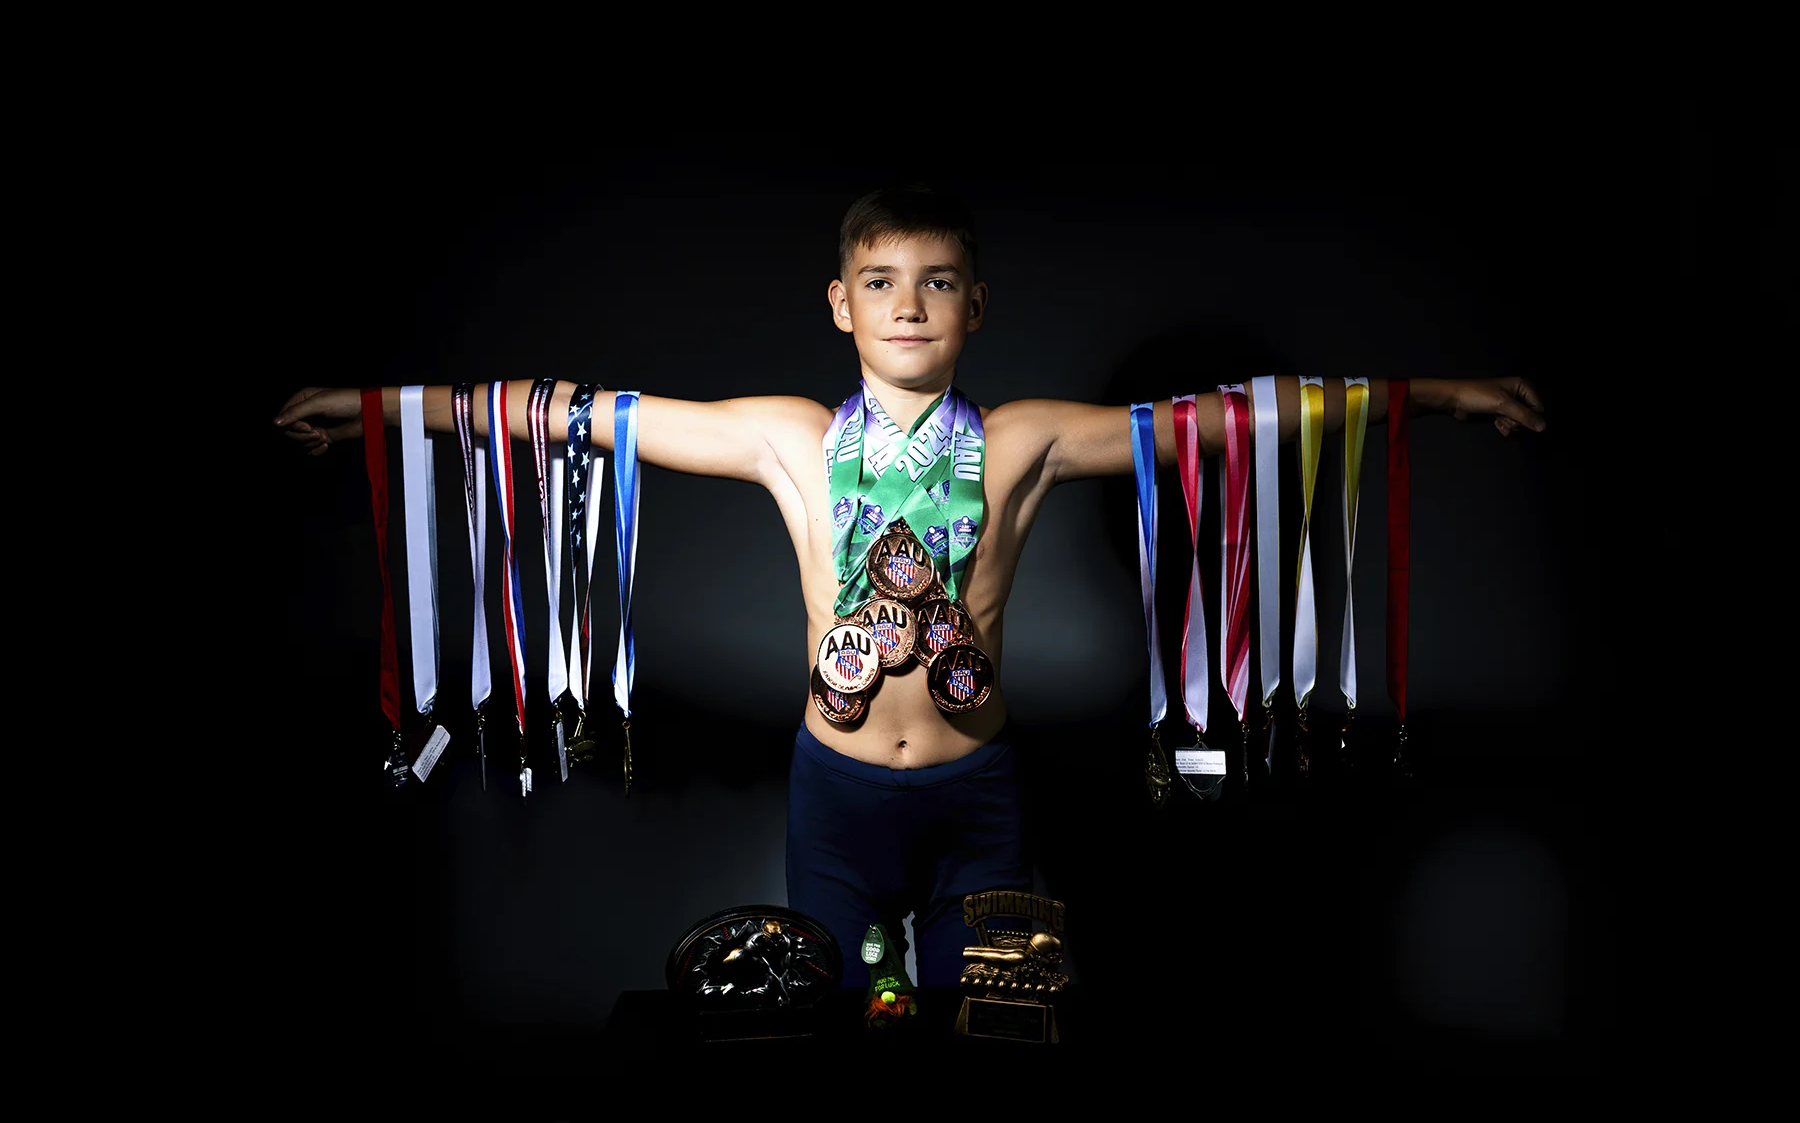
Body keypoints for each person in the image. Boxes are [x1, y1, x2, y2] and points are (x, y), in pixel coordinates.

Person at [273, 184, 1547, 989]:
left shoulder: (1025, 439)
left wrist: (1443, 398)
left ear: (977, 303)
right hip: (834, 796)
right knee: (822, 1024)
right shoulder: (788, 438)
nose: (909, 303)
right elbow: (578, 419)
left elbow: (1234, 427)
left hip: (976, 791)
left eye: (938, 281)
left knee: (988, 1026)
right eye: (881, 281)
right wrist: (377, 410)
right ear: (840, 303)